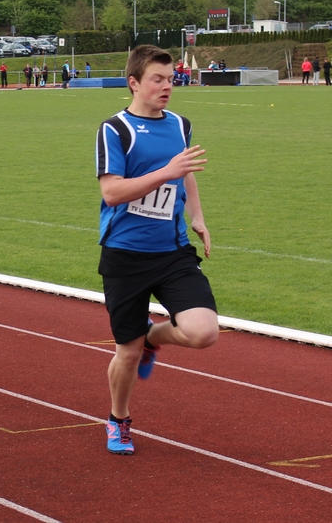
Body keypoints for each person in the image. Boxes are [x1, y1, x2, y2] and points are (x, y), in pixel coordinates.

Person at [95, 45, 218, 456]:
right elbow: (112, 192)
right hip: (125, 254)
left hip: (172, 251)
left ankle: (151, 336)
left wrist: (197, 217)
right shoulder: (116, 130)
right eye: (158, 79)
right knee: (126, 354)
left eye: (171, 79)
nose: (168, 86)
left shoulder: (180, 125)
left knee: (203, 331)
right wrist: (165, 172)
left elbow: (185, 173)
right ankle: (118, 419)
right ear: (134, 83)